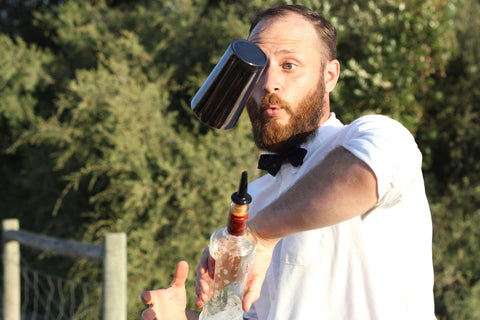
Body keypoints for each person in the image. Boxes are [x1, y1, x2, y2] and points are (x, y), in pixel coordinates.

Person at [141, 4, 436, 320]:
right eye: (259, 67)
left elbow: (363, 175)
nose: (269, 83)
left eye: (290, 65)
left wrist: (261, 235)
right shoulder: (257, 198)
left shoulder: (378, 135)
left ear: (330, 76)